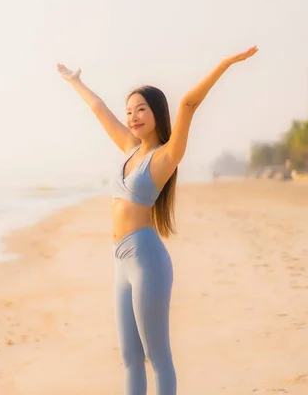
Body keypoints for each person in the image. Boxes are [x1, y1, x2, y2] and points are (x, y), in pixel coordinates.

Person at [57, 46, 258, 395]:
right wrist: (76, 82)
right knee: (130, 357)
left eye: (141, 110)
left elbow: (188, 104)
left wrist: (224, 64)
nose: (133, 117)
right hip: (120, 260)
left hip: (147, 260)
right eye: (130, 111)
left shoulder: (166, 156)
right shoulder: (129, 148)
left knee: (157, 356)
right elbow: (98, 110)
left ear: (156, 113)